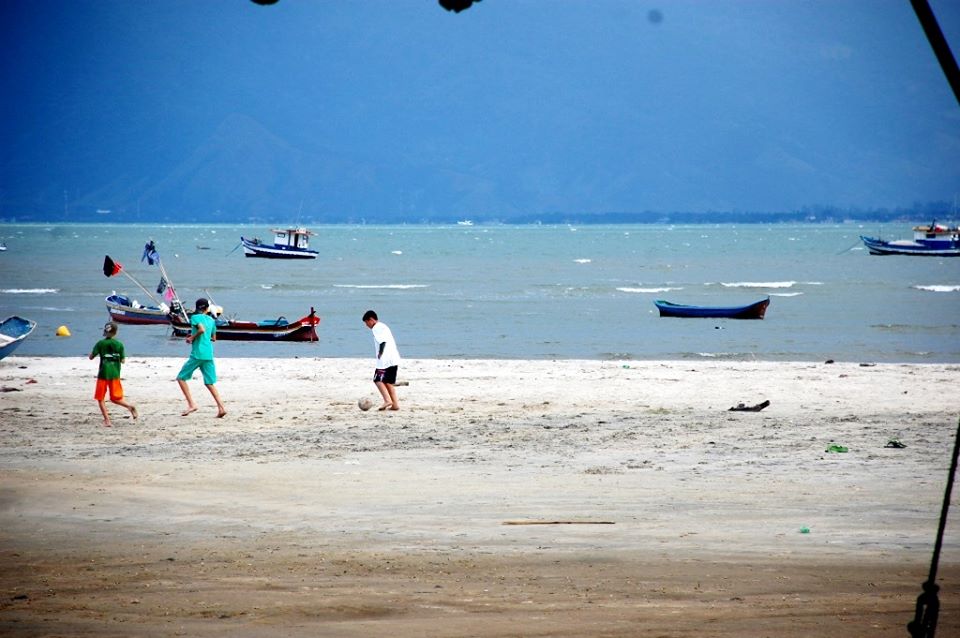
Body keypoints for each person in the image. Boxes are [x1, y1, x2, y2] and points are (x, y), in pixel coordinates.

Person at [176, 298, 226, 418]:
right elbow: (213, 338)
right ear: (207, 308)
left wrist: (192, 338)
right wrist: (196, 336)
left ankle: (192, 404)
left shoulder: (195, 317)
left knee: (181, 378)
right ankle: (221, 407)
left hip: (198, 353)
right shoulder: (211, 320)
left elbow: (201, 329)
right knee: (209, 382)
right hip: (208, 353)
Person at [89, 321, 138, 427]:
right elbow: (123, 360)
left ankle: (107, 420)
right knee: (115, 398)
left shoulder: (100, 343)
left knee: (100, 398)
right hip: (115, 374)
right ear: (116, 333)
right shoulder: (119, 344)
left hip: (103, 374)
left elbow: (91, 357)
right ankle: (129, 406)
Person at [362, 310, 401, 411]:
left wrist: (380, 352)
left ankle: (387, 400)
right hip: (393, 358)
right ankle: (395, 404)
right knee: (388, 382)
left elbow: (382, 342)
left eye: (366, 323)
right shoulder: (383, 326)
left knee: (377, 379)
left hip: (385, 360)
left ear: (371, 320)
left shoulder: (377, 328)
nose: (366, 325)